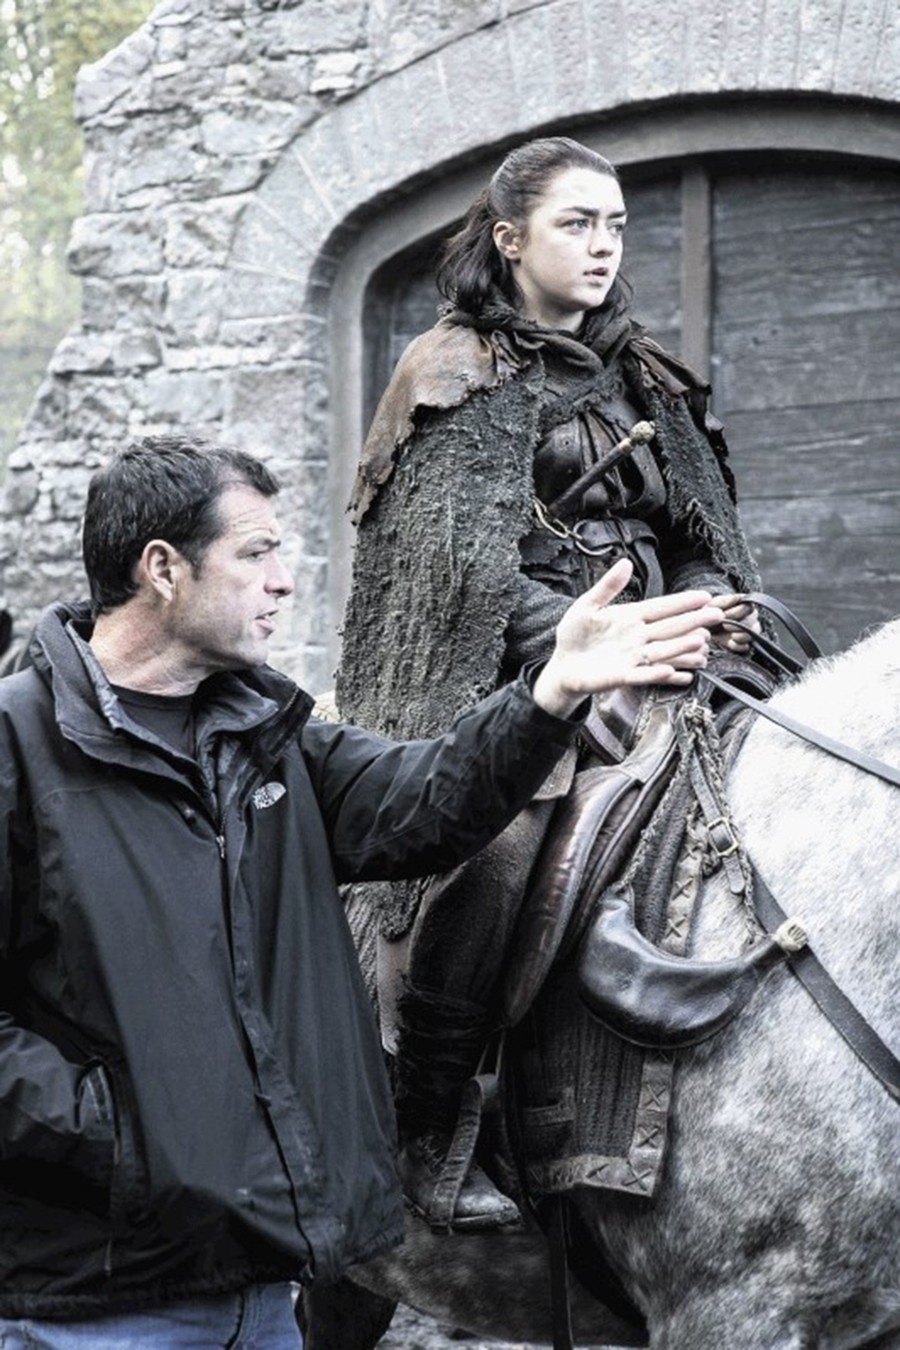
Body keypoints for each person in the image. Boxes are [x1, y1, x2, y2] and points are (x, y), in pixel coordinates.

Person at [0, 431, 725, 1348]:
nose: (283, 582)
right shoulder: (17, 746)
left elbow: (425, 802)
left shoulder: (263, 734)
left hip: (263, 1298)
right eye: (256, 554)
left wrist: (548, 693)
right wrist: (129, 1138)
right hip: (97, 1306)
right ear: (163, 569)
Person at [337, 136, 765, 1232]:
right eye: (577, 223)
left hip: (669, 654)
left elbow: (702, 531)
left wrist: (701, 607)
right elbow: (453, 574)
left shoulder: (644, 373)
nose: (603, 245)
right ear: (510, 238)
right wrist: (589, 641)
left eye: (615, 225)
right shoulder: (451, 371)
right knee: (503, 840)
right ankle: (427, 1121)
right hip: (516, 668)